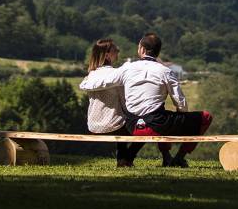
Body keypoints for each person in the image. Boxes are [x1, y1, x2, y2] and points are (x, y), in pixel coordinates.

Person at [80, 32, 212, 168]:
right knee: (201, 117)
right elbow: (181, 102)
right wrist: (181, 114)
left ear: (141, 49)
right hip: (157, 123)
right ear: (158, 51)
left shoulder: (127, 68)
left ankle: (135, 159)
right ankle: (179, 157)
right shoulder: (165, 71)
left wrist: (85, 83)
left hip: (133, 124)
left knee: (156, 119)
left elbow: (105, 80)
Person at [80, 38, 134, 167]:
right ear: (107, 55)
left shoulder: (91, 75)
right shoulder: (116, 75)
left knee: (121, 121)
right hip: (114, 126)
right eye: (116, 50)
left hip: (93, 125)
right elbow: (125, 103)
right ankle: (125, 159)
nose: (118, 52)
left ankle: (123, 159)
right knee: (142, 125)